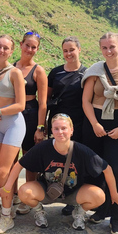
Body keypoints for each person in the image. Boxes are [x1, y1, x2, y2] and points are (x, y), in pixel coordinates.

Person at [0, 114, 118, 232]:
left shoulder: (81, 150)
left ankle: (79, 212)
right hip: (47, 191)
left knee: (99, 196)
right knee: (24, 192)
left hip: (74, 192)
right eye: (56, 128)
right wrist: (8, 187)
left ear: (71, 130)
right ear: (51, 130)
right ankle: (39, 211)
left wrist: (114, 194)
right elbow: (19, 164)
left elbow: (107, 169)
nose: (60, 132)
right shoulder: (44, 147)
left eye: (64, 128)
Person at [81, 32, 118, 234]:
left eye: (112, 46)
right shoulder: (95, 70)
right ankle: (101, 208)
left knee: (115, 171)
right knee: (95, 168)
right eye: (104, 48)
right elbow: (86, 100)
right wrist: (95, 124)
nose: (109, 51)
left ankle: (116, 217)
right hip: (94, 124)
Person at [0, 35, 26, 234]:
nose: (1, 50)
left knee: (1, 171)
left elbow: (20, 105)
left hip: (13, 124)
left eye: (6, 48)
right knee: (6, 172)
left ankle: (6, 217)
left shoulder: (15, 73)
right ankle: (7, 205)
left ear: (11, 51)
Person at [47, 36, 87, 216]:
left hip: (79, 122)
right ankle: (58, 191)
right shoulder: (55, 73)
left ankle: (74, 199)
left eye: (72, 49)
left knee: (75, 161)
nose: (68, 53)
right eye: (65, 50)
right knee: (59, 159)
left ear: (79, 50)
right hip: (57, 122)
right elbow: (47, 99)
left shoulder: (88, 73)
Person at [12, 32, 48, 216]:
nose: (30, 50)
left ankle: (27, 196)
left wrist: (40, 127)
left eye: (34, 47)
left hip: (31, 114)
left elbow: (43, 102)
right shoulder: (11, 67)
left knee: (29, 158)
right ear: (21, 44)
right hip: (12, 115)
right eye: (27, 45)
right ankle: (14, 193)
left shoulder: (38, 71)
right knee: (11, 157)